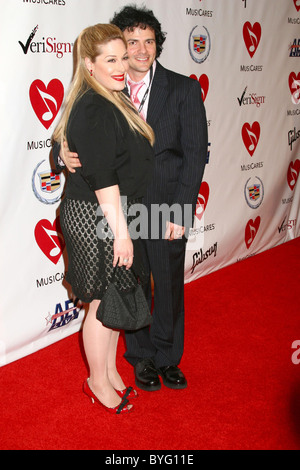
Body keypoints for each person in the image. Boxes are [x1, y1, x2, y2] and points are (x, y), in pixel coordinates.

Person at [54, 5, 208, 392]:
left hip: (164, 205)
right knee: (129, 285)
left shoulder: (183, 88)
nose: (140, 50)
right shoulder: (105, 90)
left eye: (148, 41)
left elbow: (195, 154)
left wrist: (182, 209)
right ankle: (138, 358)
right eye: (131, 43)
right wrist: (61, 154)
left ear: (158, 45)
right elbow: (76, 135)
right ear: (119, 47)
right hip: (116, 209)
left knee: (168, 284)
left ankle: (167, 358)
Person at [52, 23, 154, 414]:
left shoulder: (112, 97)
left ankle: (109, 371)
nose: (121, 66)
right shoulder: (95, 106)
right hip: (98, 214)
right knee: (99, 303)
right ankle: (96, 380)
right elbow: (104, 180)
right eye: (110, 59)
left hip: (111, 213)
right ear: (89, 65)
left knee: (112, 300)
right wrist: (122, 235)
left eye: (123, 57)